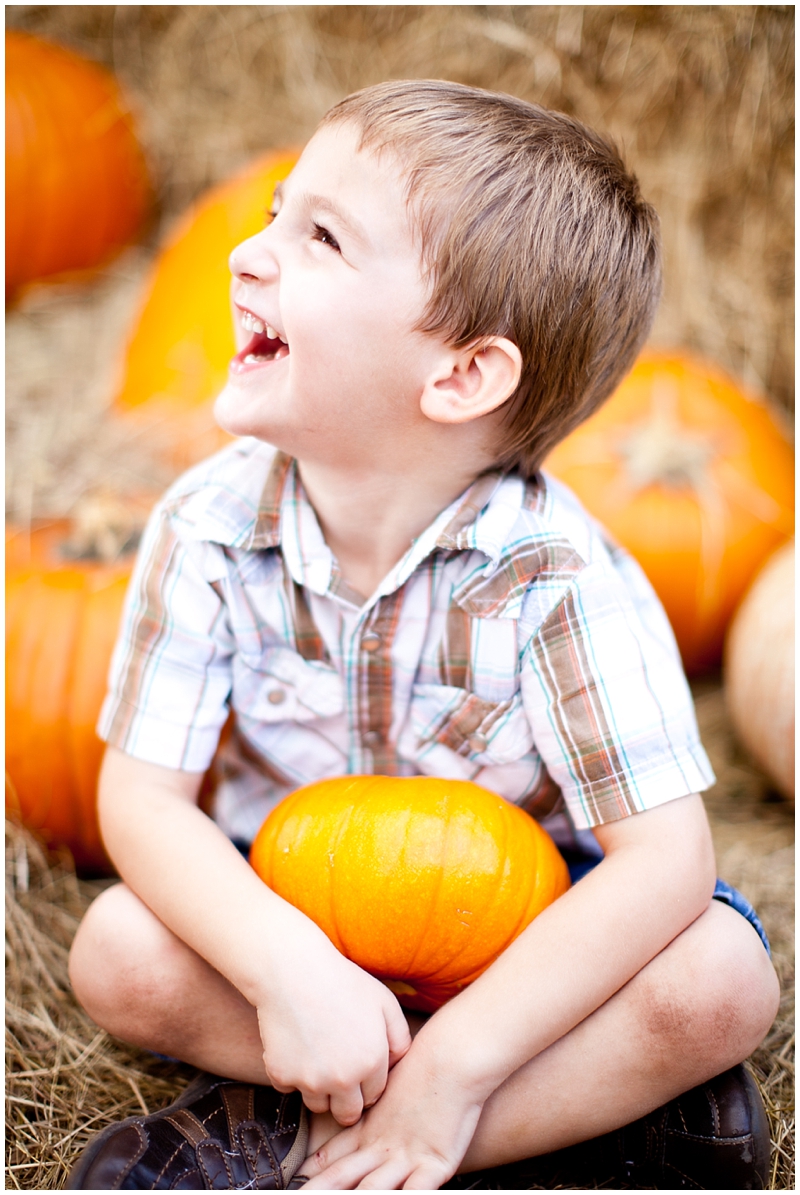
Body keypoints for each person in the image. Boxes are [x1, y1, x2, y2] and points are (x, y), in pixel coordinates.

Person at [66, 80, 778, 1191]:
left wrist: (453, 1066)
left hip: (522, 929)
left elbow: (664, 863)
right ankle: (580, 1116)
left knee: (719, 983)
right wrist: (285, 969)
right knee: (117, 952)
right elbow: (140, 800)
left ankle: (347, 1135)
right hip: (289, 906)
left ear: (457, 375)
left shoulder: (558, 576)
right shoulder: (203, 528)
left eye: (318, 238)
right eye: (269, 217)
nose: (246, 255)